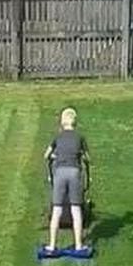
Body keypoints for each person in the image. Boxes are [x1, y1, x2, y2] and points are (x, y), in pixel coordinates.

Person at [43, 107, 91, 254]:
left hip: (59, 173)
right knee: (76, 209)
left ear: (62, 122)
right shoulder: (80, 137)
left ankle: (51, 246)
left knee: (57, 209)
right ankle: (78, 245)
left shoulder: (57, 138)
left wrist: (56, 157)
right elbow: (87, 158)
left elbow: (46, 155)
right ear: (75, 122)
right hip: (74, 172)